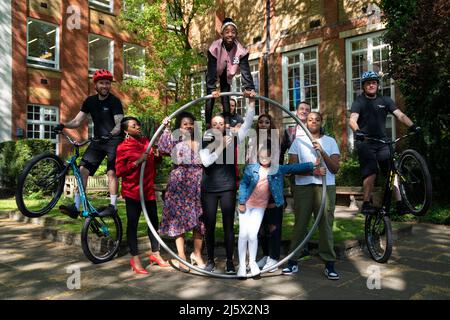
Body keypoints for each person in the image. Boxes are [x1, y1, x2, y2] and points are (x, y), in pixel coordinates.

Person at [237, 146, 324, 278]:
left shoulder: (276, 169)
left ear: (271, 157)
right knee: (243, 234)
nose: (264, 159)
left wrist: (313, 164)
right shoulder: (251, 169)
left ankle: (253, 262)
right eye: (262, 156)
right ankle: (242, 266)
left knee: (252, 234)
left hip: (260, 207)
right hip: (247, 204)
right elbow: (243, 184)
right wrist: (242, 202)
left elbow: (293, 168)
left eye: (267, 156)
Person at [54, 69, 123, 218]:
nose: (105, 86)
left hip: (114, 141)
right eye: (102, 83)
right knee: (82, 170)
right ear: (96, 85)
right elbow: (78, 121)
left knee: (111, 172)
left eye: (107, 83)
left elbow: (119, 124)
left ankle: (113, 206)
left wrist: (110, 134)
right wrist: (64, 125)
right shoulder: (90, 101)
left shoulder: (114, 101)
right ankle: (76, 206)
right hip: (98, 141)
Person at [349, 71, 420, 215]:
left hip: (382, 142)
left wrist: (413, 126)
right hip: (366, 142)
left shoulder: (386, 100)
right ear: (364, 86)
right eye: (368, 83)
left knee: (392, 171)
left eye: (374, 82)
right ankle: (367, 203)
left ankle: (400, 203)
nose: (371, 85)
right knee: (371, 171)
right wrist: (358, 132)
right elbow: (352, 120)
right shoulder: (359, 102)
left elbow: (400, 115)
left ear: (377, 85)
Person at [199, 98, 255, 274]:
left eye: (221, 123)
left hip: (227, 188)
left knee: (228, 226)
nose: (217, 125)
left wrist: (251, 103)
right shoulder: (205, 139)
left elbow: (247, 123)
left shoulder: (233, 138)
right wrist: (221, 146)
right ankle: (210, 260)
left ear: (225, 125)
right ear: (210, 125)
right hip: (208, 189)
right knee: (209, 225)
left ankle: (230, 262)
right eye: (214, 123)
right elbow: (206, 162)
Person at [283, 112, 341, 280]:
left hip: (326, 187)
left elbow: (335, 169)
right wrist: (312, 171)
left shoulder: (330, 141)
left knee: (325, 225)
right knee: (300, 225)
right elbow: (291, 169)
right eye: (310, 120)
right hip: (304, 188)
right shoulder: (298, 142)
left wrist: (322, 151)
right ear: (305, 123)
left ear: (321, 121)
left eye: (317, 119)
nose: (313, 122)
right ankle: (293, 261)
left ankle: (329, 264)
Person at [115, 116, 169, 274]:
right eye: (133, 126)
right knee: (133, 224)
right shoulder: (122, 147)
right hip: (133, 191)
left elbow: (155, 162)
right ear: (126, 130)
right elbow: (119, 171)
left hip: (148, 190)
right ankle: (135, 259)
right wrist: (137, 162)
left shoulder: (146, 141)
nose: (138, 127)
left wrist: (157, 156)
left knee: (153, 223)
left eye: (138, 124)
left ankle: (155, 254)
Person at [157, 112, 206, 273]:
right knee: (179, 220)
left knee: (199, 220)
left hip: (198, 183)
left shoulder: (200, 142)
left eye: (191, 123)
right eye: (185, 124)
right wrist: (165, 128)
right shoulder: (174, 139)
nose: (189, 126)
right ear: (180, 126)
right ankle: (181, 256)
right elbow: (162, 149)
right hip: (179, 184)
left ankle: (197, 254)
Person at [205, 17, 256, 127]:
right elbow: (211, 69)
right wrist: (213, 88)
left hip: (227, 72)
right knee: (210, 95)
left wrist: (249, 88)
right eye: (227, 32)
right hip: (216, 68)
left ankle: (227, 121)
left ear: (236, 34)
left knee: (225, 92)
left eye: (233, 32)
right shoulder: (215, 47)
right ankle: (208, 122)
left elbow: (245, 70)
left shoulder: (240, 50)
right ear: (222, 34)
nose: (230, 35)